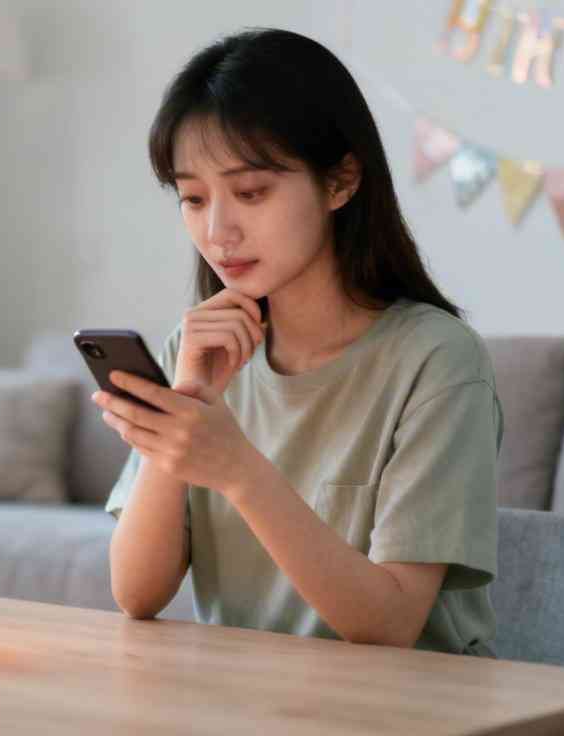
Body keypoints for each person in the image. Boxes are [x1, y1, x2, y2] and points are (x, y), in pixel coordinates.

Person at [95, 28, 503, 656]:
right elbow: (136, 594)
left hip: (406, 710)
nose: (217, 229)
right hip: (245, 706)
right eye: (194, 198)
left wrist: (236, 470)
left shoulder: (438, 361)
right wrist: (182, 415)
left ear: (340, 182)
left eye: (251, 192)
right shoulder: (198, 349)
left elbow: (391, 625)